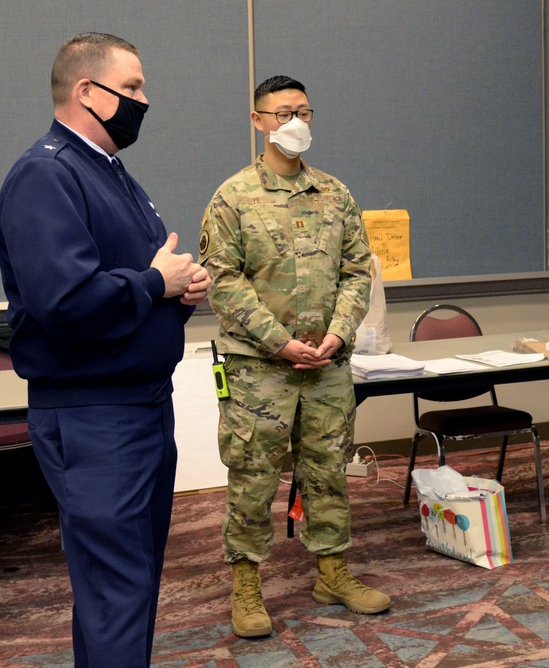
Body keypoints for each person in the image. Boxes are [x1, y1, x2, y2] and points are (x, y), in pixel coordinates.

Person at [0, 32, 209, 667]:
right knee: (117, 589)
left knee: (127, 587)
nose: (146, 99)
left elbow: (129, 277)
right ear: (88, 91)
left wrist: (175, 289)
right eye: (134, 87)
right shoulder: (46, 175)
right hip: (94, 417)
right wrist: (153, 282)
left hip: (140, 407)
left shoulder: (109, 172)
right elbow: (63, 302)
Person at [199, 75, 389, 638]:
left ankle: (332, 571)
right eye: (282, 113)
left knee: (328, 471)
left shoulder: (335, 193)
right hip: (260, 370)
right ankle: (246, 583)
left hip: (327, 364)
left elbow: (358, 270)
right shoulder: (233, 196)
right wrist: (278, 342)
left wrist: (337, 332)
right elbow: (222, 281)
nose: (294, 122)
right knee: (253, 475)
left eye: (303, 111)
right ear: (258, 121)